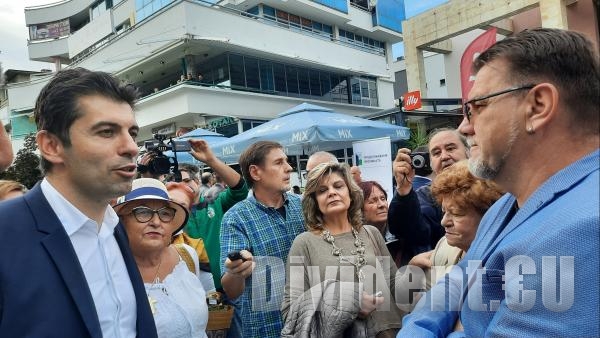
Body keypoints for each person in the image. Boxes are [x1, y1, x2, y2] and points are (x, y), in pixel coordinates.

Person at [400, 28, 599, 337]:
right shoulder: (507, 204)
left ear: (538, 105)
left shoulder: (584, 229)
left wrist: (458, 324)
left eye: (476, 106)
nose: (464, 126)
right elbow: (457, 280)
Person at [0, 68, 157, 337]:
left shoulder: (115, 227)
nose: (131, 146)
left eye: (132, 132)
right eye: (107, 132)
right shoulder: (6, 232)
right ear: (51, 145)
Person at [281, 162, 403, 337]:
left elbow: (395, 286)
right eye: (322, 190)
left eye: (338, 186)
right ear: (314, 201)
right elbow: (290, 311)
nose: (331, 192)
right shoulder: (304, 243)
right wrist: (350, 302)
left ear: (351, 194)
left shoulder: (371, 234)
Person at [220, 141, 304, 338]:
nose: (289, 168)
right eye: (278, 162)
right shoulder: (236, 217)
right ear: (256, 172)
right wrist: (237, 272)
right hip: (267, 328)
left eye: (287, 161)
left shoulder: (303, 206)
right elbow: (231, 291)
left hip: (309, 323)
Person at [396, 161, 503, 311]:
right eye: (444, 211)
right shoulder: (445, 246)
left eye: (457, 213)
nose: (444, 222)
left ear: (489, 215)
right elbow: (404, 302)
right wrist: (412, 268)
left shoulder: (503, 267)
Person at [114, 178, 210, 337]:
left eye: (165, 213)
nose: (156, 222)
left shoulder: (187, 256)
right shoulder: (112, 273)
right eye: (143, 212)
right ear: (121, 221)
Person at [388, 128, 469, 260]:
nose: (444, 156)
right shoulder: (425, 196)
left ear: (468, 151)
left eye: (450, 148)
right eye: (436, 153)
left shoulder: (490, 188)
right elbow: (408, 230)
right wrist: (404, 190)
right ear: (430, 163)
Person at [181, 139, 249, 293]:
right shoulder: (172, 215)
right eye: (178, 182)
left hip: (227, 285)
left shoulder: (215, 202)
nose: (183, 185)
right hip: (193, 290)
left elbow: (240, 189)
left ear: (197, 181)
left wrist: (211, 160)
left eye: (187, 180)